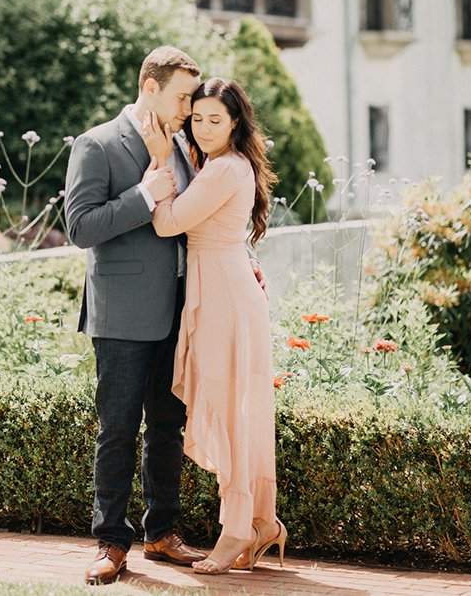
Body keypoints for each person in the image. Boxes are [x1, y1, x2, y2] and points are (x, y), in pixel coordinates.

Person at [64, 48, 267, 585]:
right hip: (123, 314)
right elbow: (80, 226)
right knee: (118, 430)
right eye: (182, 98)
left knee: (168, 428)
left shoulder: (187, 145)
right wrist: (141, 195)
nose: (189, 110)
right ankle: (111, 542)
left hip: (185, 310)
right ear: (149, 87)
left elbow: (209, 215)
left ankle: (162, 531)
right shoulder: (98, 143)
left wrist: (245, 257)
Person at [144, 77, 287, 575]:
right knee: (238, 412)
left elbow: (167, 224)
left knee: (231, 414)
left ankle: (237, 531)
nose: (203, 128)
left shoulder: (224, 168)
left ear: (235, 123)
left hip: (223, 295)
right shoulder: (225, 164)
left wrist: (159, 165)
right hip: (224, 285)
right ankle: (260, 522)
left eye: (215, 120)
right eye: (197, 118)